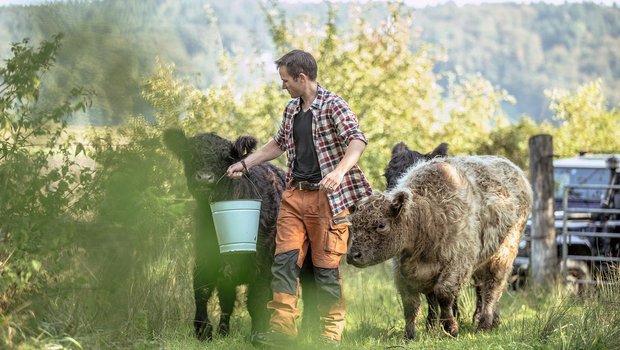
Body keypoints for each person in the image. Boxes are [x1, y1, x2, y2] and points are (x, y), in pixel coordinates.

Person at [227, 49, 372, 347]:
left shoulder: (334, 105)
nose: (283, 86)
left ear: (301, 77)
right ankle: (282, 331)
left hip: (326, 200)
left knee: (325, 268)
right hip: (294, 197)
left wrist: (340, 172)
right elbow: (277, 144)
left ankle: (329, 334)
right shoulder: (292, 109)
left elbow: (357, 140)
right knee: (283, 263)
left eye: (285, 80)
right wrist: (245, 164)